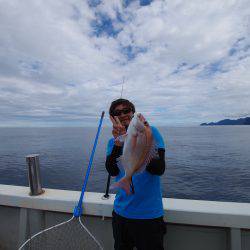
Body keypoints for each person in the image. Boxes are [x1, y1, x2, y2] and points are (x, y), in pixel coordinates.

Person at [105, 98, 167, 250]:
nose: (123, 114)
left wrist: (146, 141)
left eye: (126, 110)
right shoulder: (113, 142)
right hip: (121, 213)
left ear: (132, 113)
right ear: (113, 118)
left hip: (149, 215)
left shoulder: (152, 133)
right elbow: (112, 170)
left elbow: (159, 169)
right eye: (118, 112)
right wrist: (119, 143)